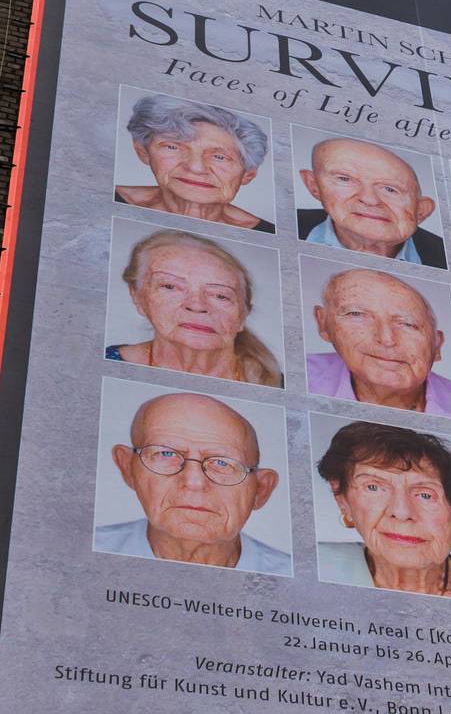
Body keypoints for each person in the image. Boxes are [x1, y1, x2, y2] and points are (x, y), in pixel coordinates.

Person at [95, 391, 289, 573]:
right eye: (166, 453)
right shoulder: (79, 548)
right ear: (128, 468)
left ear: (261, 490)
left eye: (222, 463)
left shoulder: (289, 573)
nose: (194, 481)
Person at [315, 420, 451, 599]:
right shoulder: (312, 563)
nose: (401, 513)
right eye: (373, 487)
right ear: (342, 499)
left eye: (425, 495)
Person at [106, 229, 280, 387]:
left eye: (220, 295)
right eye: (169, 287)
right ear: (137, 296)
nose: (197, 306)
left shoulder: (275, 384)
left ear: (243, 315)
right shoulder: (107, 362)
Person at [307, 268, 451, 420]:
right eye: (357, 314)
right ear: (323, 323)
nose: (387, 340)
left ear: (436, 346)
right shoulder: (301, 374)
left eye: (408, 324)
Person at [115, 95, 275, 232]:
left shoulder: (268, 231)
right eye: (173, 147)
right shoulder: (110, 198)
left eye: (219, 157)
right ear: (143, 152)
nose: (195, 168)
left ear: (248, 174)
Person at [297, 137, 447, 266]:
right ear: (314, 186)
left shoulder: (446, 257)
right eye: (345, 179)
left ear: (421, 211)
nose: (369, 200)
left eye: (390, 189)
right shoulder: (286, 224)